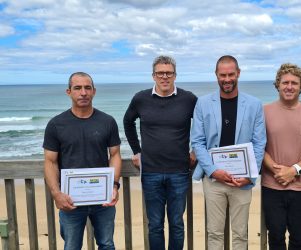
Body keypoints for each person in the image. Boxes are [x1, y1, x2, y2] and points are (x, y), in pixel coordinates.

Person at [191, 55, 266, 249]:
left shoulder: (254, 104)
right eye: (222, 75)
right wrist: (213, 171)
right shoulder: (203, 103)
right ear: (216, 75)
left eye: (231, 74)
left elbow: (259, 143)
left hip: (242, 181)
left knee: (240, 235)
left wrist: (250, 176)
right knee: (214, 233)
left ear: (238, 73)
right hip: (213, 179)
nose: (227, 79)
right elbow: (197, 142)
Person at [123, 55, 197, 250]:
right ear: (153, 76)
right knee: (155, 225)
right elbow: (127, 122)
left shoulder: (188, 99)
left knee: (177, 224)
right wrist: (137, 151)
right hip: (151, 172)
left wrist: (195, 150)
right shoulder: (141, 98)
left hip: (179, 172)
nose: (165, 77)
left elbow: (203, 124)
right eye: (160, 73)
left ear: (175, 75)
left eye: (169, 73)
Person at [43, 72, 122, 249]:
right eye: (77, 88)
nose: (83, 92)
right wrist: (57, 194)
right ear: (68, 92)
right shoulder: (56, 124)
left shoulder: (107, 121)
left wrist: (114, 186)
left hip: (103, 199)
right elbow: (50, 161)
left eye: (87, 88)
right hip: (70, 199)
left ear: (94, 91)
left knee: (107, 244)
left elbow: (115, 155)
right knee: (71, 246)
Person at [261, 63, 301, 250]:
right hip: (272, 187)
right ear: (278, 85)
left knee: (298, 240)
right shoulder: (264, 111)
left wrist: (293, 170)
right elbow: (258, 146)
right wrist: (276, 170)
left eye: (294, 83)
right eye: (285, 82)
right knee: (275, 238)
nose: (289, 86)